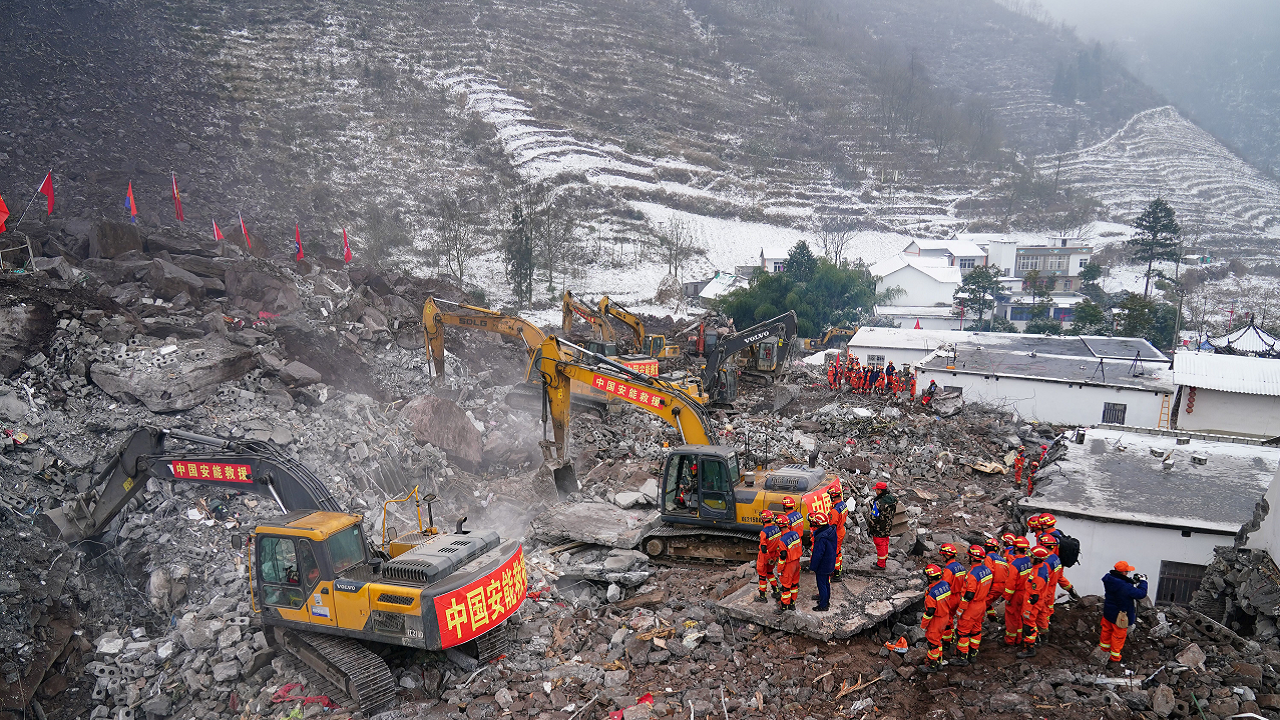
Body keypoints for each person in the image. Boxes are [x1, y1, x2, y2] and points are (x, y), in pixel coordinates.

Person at [1100, 561, 1148, 664]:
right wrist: (1143, 582)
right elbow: (1140, 594)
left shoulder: (1109, 579)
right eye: (1127, 572)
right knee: (1118, 636)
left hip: (1109, 611)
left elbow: (1122, 584)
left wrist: (1131, 581)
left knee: (1107, 630)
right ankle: (1115, 658)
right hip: (1120, 615)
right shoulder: (1124, 586)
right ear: (1123, 573)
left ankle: (1103, 650)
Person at [953, 545, 993, 665]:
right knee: (976, 631)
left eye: (969, 556)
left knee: (962, 632)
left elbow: (969, 595)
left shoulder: (972, 575)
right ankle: (973, 654)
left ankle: (962, 657)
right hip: (981, 605)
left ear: (972, 558)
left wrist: (960, 609)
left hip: (971, 607)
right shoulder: (987, 570)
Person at [1035, 534, 1080, 638]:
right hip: (1051, 589)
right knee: (1047, 610)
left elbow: (1041, 578)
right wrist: (1070, 589)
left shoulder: (1045, 562)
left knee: (1041, 612)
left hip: (1044, 590)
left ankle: (1042, 634)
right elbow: (1060, 577)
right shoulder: (1055, 558)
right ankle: (1046, 627)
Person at [920, 565, 957, 673]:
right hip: (945, 617)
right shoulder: (945, 584)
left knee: (932, 644)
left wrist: (923, 625)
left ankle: (932, 665)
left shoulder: (932, 594)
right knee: (938, 640)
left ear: (930, 578)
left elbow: (929, 612)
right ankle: (939, 661)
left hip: (936, 620)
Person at [1017, 546, 1051, 658]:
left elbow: (1034, 596)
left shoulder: (1038, 576)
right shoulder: (1041, 568)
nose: (1029, 557)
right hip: (1040, 601)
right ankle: (1042, 637)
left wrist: (1028, 609)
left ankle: (1029, 648)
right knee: (1041, 619)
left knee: (1029, 625)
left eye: (1031, 556)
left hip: (1032, 604)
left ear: (1037, 559)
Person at [1004, 537, 1033, 646]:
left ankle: (1010, 640)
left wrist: (1007, 598)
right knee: (1021, 616)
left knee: (1012, 617)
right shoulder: (1030, 561)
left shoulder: (1014, 564)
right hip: (1026, 593)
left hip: (1016, 594)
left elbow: (1010, 585)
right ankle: (1019, 638)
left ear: (1016, 548)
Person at [774, 514, 803, 614]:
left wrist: (779, 569)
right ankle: (792, 604)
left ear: (779, 526)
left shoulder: (782, 540)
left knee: (786, 587)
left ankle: (783, 606)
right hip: (797, 563)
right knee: (794, 584)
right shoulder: (795, 534)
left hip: (788, 565)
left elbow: (783, 556)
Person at [809, 511, 836, 611]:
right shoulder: (831, 530)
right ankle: (825, 600)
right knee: (826, 583)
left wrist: (813, 566)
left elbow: (818, 554)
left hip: (823, 565)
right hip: (830, 562)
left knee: (822, 584)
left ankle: (823, 605)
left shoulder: (821, 538)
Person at [867, 481, 896, 569]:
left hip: (879, 527)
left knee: (880, 545)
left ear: (880, 491)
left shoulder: (879, 503)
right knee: (885, 543)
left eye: (877, 490)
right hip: (888, 525)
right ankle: (884, 559)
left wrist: (870, 528)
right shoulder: (893, 500)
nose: (876, 491)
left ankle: (881, 564)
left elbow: (874, 517)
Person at [755, 510, 782, 603]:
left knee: (762, 577)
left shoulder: (763, 532)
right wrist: (774, 556)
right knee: (770, 573)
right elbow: (779, 544)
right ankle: (776, 591)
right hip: (773, 555)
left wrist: (768, 558)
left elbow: (763, 548)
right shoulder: (777, 529)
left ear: (763, 520)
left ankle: (762, 597)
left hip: (764, 557)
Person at [982, 537, 1010, 621]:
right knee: (988, 602)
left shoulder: (988, 557)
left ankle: (976, 627)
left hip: (993, 586)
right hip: (1002, 587)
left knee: (981, 605)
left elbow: (989, 572)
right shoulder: (1002, 560)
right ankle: (992, 618)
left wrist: (985, 587)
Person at [826, 483, 848, 581]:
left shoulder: (835, 511)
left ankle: (836, 573)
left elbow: (832, 526)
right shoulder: (843, 504)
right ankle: (838, 570)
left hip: (836, 533)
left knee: (834, 553)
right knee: (837, 551)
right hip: (841, 530)